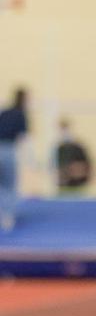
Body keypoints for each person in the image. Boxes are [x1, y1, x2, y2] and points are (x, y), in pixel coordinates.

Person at [0, 86, 29, 231]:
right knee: (9, 184)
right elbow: (24, 137)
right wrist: (31, 160)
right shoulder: (20, 114)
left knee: (2, 185)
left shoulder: (4, 112)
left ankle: (4, 215)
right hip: (8, 150)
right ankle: (7, 217)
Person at [55, 117, 92, 192]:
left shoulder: (78, 148)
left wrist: (74, 170)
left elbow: (86, 167)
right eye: (62, 129)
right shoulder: (57, 149)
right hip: (60, 188)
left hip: (77, 187)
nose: (64, 132)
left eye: (65, 129)